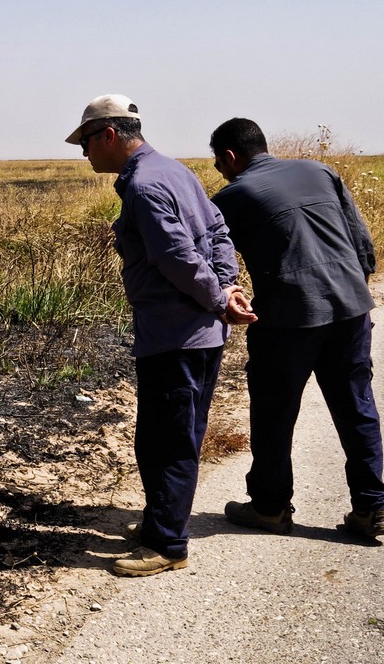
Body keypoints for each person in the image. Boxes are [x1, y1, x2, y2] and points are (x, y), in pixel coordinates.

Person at [66, 94, 253, 576]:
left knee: (167, 440)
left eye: (85, 141)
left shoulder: (145, 186)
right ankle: (159, 521)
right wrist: (228, 288)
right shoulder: (175, 171)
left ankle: (168, 544)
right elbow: (217, 233)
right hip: (198, 333)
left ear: (108, 135)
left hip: (175, 335)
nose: (83, 152)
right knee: (170, 434)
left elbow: (176, 258)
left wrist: (218, 297)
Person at [209, 117, 384, 538]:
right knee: (356, 405)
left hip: (287, 319)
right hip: (350, 309)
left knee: (274, 412)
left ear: (231, 157)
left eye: (219, 164)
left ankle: (271, 508)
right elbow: (362, 243)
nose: (220, 172)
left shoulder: (233, 196)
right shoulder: (319, 170)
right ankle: (371, 507)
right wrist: (353, 294)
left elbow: (213, 256)